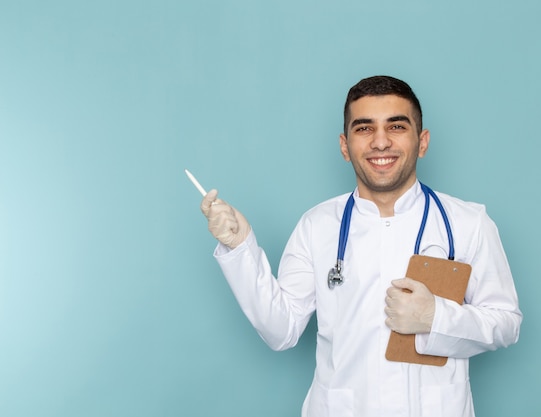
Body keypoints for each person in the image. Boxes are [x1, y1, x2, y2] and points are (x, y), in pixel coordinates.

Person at [199, 75, 522, 417]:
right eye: (364, 128)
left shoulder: (468, 223)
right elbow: (281, 330)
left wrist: (435, 317)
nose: (380, 143)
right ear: (344, 145)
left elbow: (506, 322)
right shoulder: (317, 225)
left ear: (422, 141)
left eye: (396, 127)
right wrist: (240, 248)